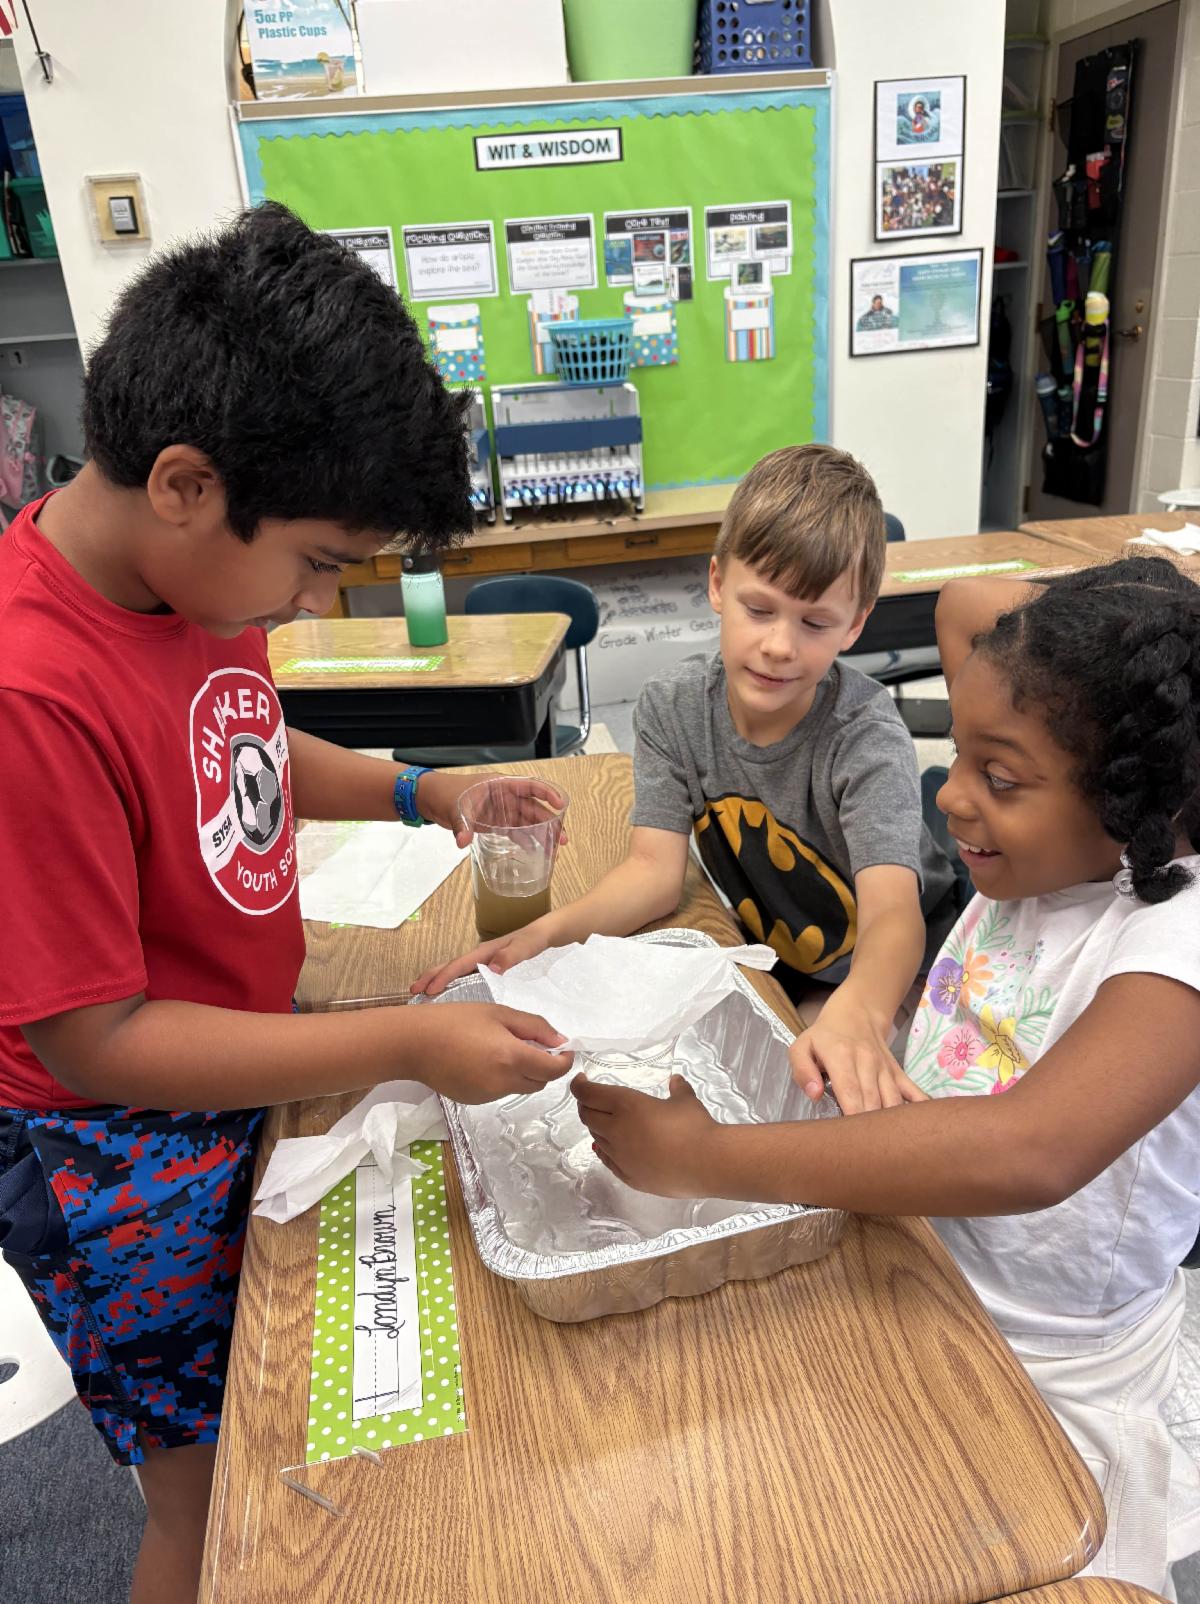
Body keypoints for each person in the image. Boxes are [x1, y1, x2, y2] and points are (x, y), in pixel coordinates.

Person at [0, 203, 572, 1603]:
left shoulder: (192, 595)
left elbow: (239, 738)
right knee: (219, 1506)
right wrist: (399, 1040)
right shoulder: (26, 688)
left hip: (238, 1058)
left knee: (321, 1410)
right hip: (113, 1154)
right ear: (188, 484)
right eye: (319, 562)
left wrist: (417, 792)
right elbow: (96, 1037)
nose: (312, 603)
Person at [572, 554, 1200, 1593]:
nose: (950, 796)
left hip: (1051, 1367)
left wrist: (704, 1156)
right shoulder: (1046, 853)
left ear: (1147, 802)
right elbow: (966, 606)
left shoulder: (1171, 941)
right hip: (923, 1267)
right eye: (958, 754)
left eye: (1000, 778)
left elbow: (1028, 1149)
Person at [417, 444, 957, 1116]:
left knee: (811, 1101)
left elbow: (894, 916)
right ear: (716, 585)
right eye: (760, 610)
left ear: (856, 624)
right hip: (786, 952)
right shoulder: (674, 709)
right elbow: (654, 873)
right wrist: (545, 935)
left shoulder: (864, 736)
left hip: (900, 972)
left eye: (815, 623)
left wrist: (864, 1012)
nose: (781, 646)